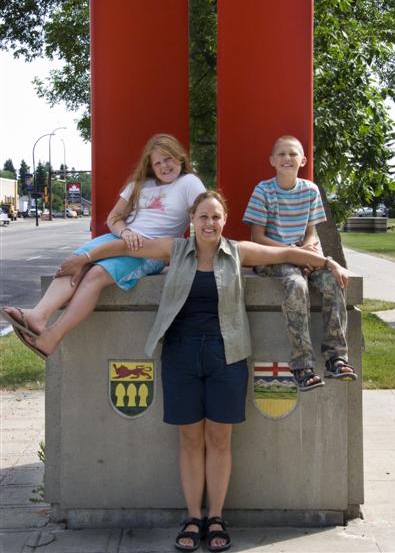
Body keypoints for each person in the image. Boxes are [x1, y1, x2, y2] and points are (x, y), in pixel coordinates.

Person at [54, 190, 349, 552]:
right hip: (181, 355)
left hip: (228, 355)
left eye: (216, 217)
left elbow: (287, 253)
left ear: (225, 221)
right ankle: (193, 516)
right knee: (190, 439)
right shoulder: (174, 251)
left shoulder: (238, 252)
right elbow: (122, 248)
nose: (210, 223)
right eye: (203, 217)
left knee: (220, 439)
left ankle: (216, 517)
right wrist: (81, 257)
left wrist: (328, 263)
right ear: (192, 220)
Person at [1, 133, 205, 359]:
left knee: (96, 273)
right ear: (150, 166)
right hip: (120, 239)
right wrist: (125, 232)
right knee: (73, 263)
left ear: (180, 157)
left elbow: (204, 212)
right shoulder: (138, 185)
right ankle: (38, 316)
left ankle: (52, 337)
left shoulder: (189, 183)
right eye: (157, 163)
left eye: (168, 159)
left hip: (150, 251)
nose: (164, 166)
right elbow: (114, 218)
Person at [242, 134, 357, 391]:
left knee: (332, 281)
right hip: (270, 257)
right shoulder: (264, 191)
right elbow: (257, 237)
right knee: (296, 285)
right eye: (281, 154)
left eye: (293, 154)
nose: (287, 158)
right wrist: (294, 254)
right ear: (272, 160)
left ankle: (336, 356)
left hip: (300, 254)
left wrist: (306, 249)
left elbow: (310, 232)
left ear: (303, 160)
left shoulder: (310, 190)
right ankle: (302, 364)